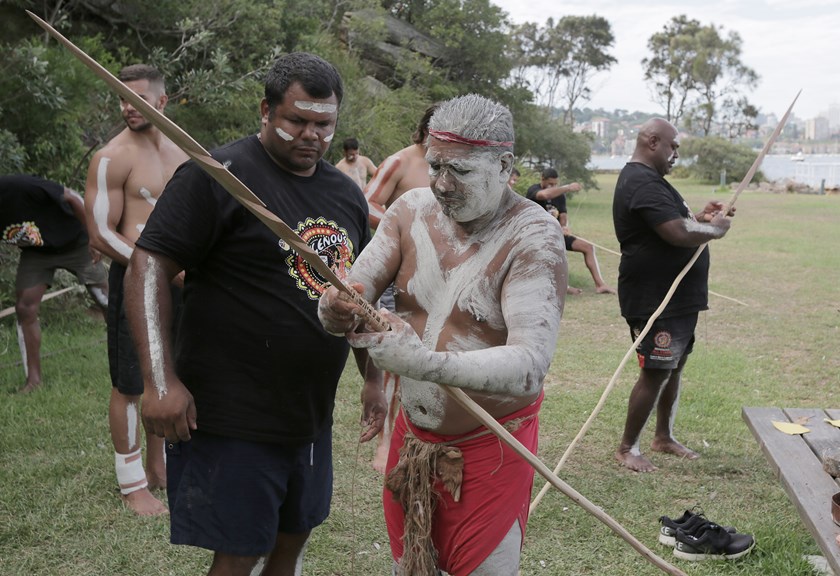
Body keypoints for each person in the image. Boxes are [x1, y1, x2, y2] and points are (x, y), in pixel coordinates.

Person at [123, 52, 386, 576]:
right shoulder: (219, 176)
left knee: (294, 536)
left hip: (308, 412)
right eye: (296, 121)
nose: (310, 135)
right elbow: (147, 265)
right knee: (241, 550)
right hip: (233, 410)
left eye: (323, 124)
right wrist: (158, 380)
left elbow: (354, 294)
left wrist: (373, 378)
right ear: (265, 111)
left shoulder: (345, 194)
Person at [319, 94, 567, 576]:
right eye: (435, 166)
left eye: (462, 172)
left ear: (504, 165)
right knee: (408, 566)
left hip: (491, 446)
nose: (443, 185)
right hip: (413, 437)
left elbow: (531, 365)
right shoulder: (410, 209)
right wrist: (334, 309)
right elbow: (356, 288)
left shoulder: (533, 236)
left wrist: (425, 364)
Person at [84, 63, 188, 515]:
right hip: (134, 281)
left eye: (139, 99)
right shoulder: (112, 156)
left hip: (182, 283)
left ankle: (158, 464)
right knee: (131, 381)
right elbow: (100, 234)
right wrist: (157, 268)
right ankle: (132, 484)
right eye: (122, 98)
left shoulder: (183, 150)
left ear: (162, 101)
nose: (129, 107)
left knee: (172, 373)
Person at [612, 117, 732, 473]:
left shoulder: (654, 182)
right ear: (652, 141)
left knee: (673, 366)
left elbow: (676, 222)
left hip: (678, 297)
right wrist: (713, 228)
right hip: (655, 299)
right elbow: (678, 232)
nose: (676, 152)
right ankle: (626, 448)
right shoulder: (640, 181)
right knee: (655, 371)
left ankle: (663, 437)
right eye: (672, 145)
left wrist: (701, 217)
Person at [363, 103, 438, 473]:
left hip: (437, 278)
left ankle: (425, 434)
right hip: (398, 269)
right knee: (395, 352)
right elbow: (366, 201)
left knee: (433, 350)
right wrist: (404, 226)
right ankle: (385, 443)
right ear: (425, 130)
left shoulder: (452, 164)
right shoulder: (402, 162)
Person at [0, 174, 108, 394]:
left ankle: (129, 360)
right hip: (37, 254)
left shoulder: (16, 186)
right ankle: (34, 380)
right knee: (25, 307)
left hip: (76, 243)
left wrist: (93, 238)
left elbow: (72, 197)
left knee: (107, 300)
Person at [527, 168, 615, 295]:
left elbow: (562, 214)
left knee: (588, 247)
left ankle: (600, 285)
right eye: (550, 184)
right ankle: (564, 287)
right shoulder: (533, 190)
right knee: (557, 251)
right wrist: (568, 187)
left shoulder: (560, 195)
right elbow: (545, 195)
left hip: (557, 233)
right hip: (538, 235)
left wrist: (564, 227)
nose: (553, 186)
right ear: (542, 179)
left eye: (555, 184)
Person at [364, 103, 438, 228]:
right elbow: (366, 205)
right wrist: (404, 231)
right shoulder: (398, 162)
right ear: (426, 129)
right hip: (405, 245)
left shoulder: (451, 166)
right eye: (443, 132)